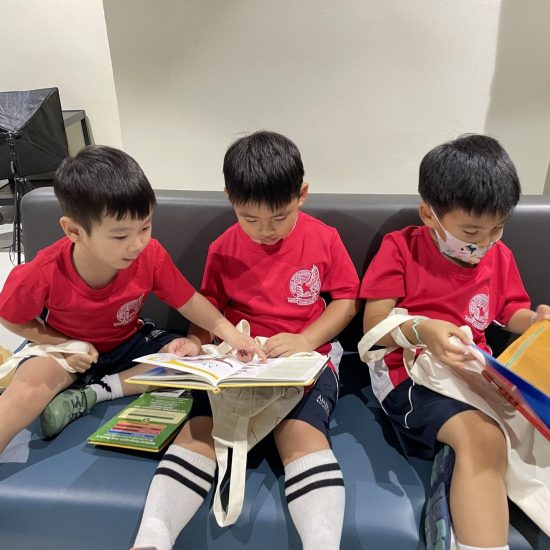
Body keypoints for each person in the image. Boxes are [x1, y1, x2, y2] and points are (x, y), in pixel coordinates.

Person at [132, 131, 360, 550]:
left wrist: (305, 339)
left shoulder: (323, 237)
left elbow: (346, 301)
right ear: (230, 200)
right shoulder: (223, 248)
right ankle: (152, 538)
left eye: (280, 217)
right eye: (250, 219)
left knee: (302, 434)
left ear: (302, 195)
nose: (265, 231)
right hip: (239, 361)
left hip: (306, 358)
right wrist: (195, 343)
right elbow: (209, 311)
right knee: (200, 431)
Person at [0, 145, 264, 453]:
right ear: (74, 230)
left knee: (189, 362)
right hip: (68, 351)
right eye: (120, 236)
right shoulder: (43, 271)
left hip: (128, 344)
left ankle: (94, 393)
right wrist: (63, 344)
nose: (137, 244)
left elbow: (189, 301)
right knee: (28, 388)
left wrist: (231, 334)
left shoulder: (150, 255)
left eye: (145, 227)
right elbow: (10, 318)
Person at [360, 134, 550, 550]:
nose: (484, 242)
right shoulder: (400, 249)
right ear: (429, 214)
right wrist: (423, 329)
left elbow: (510, 313)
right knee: (484, 439)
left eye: (497, 228)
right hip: (408, 373)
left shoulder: (499, 255)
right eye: (471, 231)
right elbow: (373, 325)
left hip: (476, 370)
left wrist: (535, 322)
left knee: (530, 432)